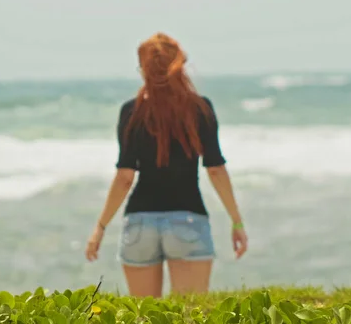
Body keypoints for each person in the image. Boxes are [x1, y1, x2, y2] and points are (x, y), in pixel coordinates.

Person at [84, 32, 248, 297]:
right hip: (188, 220)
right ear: (180, 66)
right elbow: (215, 169)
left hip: (139, 224)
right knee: (190, 314)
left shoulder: (132, 111)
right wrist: (237, 222)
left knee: (145, 314)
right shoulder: (200, 108)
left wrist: (100, 227)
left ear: (144, 70)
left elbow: (125, 176)